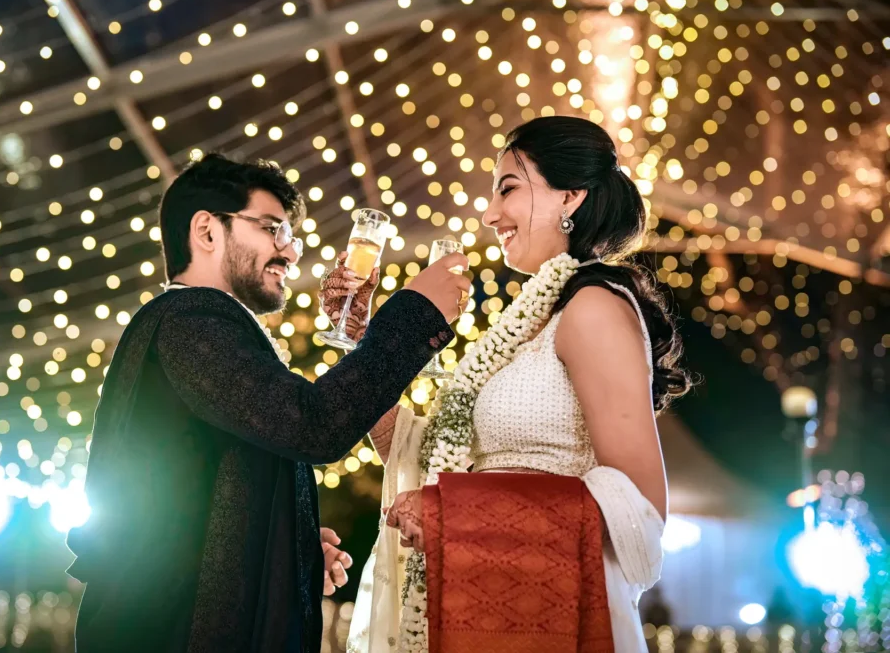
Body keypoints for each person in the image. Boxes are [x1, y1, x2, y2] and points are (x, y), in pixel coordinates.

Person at [66, 153, 471, 653]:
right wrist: (414, 315)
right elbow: (312, 425)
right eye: (272, 229)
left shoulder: (202, 326)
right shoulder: (190, 323)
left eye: (290, 235)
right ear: (207, 231)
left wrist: (286, 548)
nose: (290, 252)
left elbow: (187, 498)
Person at [343, 116, 691, 653]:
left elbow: (641, 506)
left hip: (553, 617)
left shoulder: (593, 307)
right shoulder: (530, 325)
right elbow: (414, 453)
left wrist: (453, 513)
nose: (489, 214)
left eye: (508, 188)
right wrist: (363, 340)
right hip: (478, 604)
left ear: (570, 197)